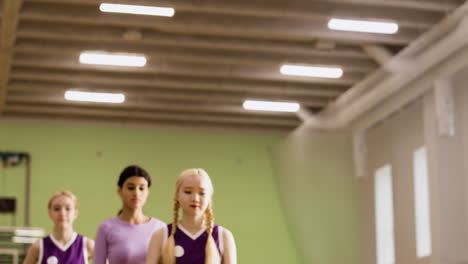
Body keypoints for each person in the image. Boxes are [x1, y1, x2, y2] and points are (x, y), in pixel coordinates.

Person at [146, 168, 237, 264]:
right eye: (188, 192)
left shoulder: (223, 236)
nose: (195, 198)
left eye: (202, 193)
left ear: (209, 198)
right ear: (177, 195)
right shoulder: (160, 235)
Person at [93, 165, 165, 264]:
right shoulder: (105, 228)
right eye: (131, 188)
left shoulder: (160, 228)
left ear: (148, 192)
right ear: (120, 191)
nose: (136, 193)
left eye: (141, 188)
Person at [23, 191, 94, 264]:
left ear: (76, 213)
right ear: (50, 213)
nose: (62, 213)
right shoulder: (38, 246)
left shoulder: (87, 245)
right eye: (57, 209)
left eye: (68, 208)